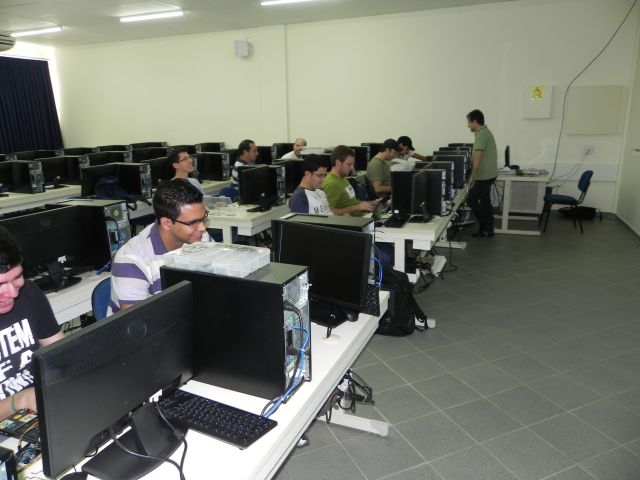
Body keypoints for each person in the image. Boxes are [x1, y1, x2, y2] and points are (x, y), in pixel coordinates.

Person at [110, 179, 211, 312]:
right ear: (166, 223)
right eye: (193, 222)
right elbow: (137, 321)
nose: (203, 228)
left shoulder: (199, 237)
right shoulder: (131, 260)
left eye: (203, 218)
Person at [0, 226, 64, 417]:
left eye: (17, 277)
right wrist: (20, 400)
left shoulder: (28, 293)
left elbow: (61, 353)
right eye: (0, 284)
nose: (13, 293)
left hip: (42, 404)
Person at [466, 109, 498, 237]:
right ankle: (488, 229)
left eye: (469, 122)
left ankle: (485, 227)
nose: (468, 125)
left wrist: (471, 178)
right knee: (485, 202)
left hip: (484, 176)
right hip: (488, 175)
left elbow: (477, 159)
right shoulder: (485, 132)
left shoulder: (482, 134)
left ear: (475, 121)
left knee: (471, 200)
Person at [322, 145, 378, 216]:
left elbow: (352, 202)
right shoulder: (331, 184)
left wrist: (373, 203)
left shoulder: (342, 178)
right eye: (349, 164)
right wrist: (355, 208)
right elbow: (329, 212)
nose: (352, 168)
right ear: (338, 163)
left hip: (363, 216)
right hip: (356, 220)